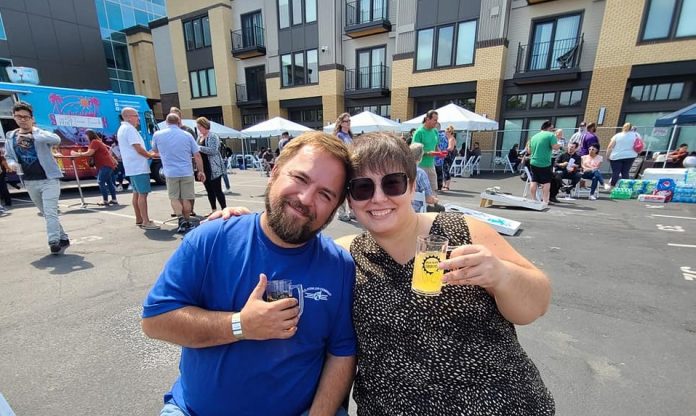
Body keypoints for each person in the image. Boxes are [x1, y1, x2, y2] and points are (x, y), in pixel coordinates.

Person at [141, 132, 357, 416]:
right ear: (275, 171)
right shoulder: (212, 238)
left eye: (325, 194)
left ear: (334, 209)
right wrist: (240, 325)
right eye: (300, 179)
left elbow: (341, 352)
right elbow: (155, 320)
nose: (306, 198)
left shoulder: (339, 265)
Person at [341, 133, 554, 414]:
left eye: (393, 183)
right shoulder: (345, 257)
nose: (378, 198)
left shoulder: (463, 231)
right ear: (350, 199)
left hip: (502, 404)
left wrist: (502, 275)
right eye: (362, 188)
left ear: (412, 185)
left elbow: (536, 306)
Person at [4, 101, 70, 254]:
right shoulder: (11, 137)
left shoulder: (40, 133)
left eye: (26, 117)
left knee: (51, 211)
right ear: (14, 117)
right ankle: (63, 236)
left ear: (31, 118)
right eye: (19, 116)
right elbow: (9, 156)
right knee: (46, 212)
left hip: (49, 179)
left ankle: (53, 241)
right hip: (29, 180)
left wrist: (35, 133)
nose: (22, 120)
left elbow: (56, 140)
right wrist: (12, 163)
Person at [153, 113, 205, 233]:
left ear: (166, 122)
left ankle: (181, 219)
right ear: (179, 122)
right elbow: (196, 154)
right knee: (186, 198)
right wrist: (201, 171)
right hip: (186, 171)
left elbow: (155, 150)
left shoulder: (158, 135)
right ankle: (187, 221)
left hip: (170, 172)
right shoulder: (186, 135)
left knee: (174, 197)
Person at [117, 107, 159, 230]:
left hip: (132, 166)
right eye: (136, 116)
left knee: (136, 193)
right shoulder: (129, 130)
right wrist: (150, 155)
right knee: (142, 194)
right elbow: (138, 148)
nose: (138, 118)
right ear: (129, 117)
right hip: (138, 166)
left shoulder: (123, 129)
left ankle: (139, 218)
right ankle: (146, 220)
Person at [71, 130, 118, 206]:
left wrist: (77, 154)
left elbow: (90, 153)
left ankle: (105, 201)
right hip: (107, 165)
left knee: (100, 181)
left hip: (104, 165)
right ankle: (114, 199)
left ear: (89, 135)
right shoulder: (97, 142)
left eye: (85, 135)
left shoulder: (94, 142)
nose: (84, 137)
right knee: (109, 182)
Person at [197, 117, 227, 214]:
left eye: (200, 126)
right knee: (209, 190)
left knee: (217, 190)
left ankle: (224, 209)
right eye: (198, 126)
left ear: (205, 125)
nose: (198, 128)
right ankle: (213, 210)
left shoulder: (213, 136)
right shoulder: (199, 137)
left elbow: (213, 150)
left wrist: (199, 147)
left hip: (214, 167)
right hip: (204, 166)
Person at [526, 120, 560, 205]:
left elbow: (529, 151)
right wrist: (560, 145)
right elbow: (555, 147)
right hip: (544, 162)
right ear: (549, 128)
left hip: (533, 161)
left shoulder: (534, 137)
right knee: (546, 182)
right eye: (552, 129)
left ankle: (533, 199)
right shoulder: (551, 135)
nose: (552, 130)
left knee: (534, 180)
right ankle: (545, 200)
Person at [410, 143, 444, 212]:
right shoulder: (420, 173)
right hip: (417, 209)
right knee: (441, 208)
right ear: (420, 157)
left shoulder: (401, 169)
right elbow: (428, 199)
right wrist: (435, 200)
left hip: (403, 208)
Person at [333, 113, 354, 222]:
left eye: (349, 120)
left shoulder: (349, 135)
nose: (349, 123)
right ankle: (341, 213)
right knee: (343, 190)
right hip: (343, 165)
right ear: (341, 123)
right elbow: (340, 152)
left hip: (350, 165)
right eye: (346, 121)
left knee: (350, 189)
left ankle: (351, 211)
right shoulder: (339, 136)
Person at [412, 110, 439, 192]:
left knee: (434, 188)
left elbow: (436, 145)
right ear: (427, 119)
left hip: (431, 164)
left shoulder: (435, 131)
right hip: (420, 165)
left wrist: (440, 153)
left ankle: (434, 204)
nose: (436, 122)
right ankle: (423, 204)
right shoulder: (419, 132)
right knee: (420, 190)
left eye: (437, 120)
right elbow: (414, 151)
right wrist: (428, 153)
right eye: (435, 120)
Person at [442, 125, 457, 191]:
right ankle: (445, 185)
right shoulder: (449, 138)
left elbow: (450, 148)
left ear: (450, 132)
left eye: (446, 132)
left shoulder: (451, 139)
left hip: (449, 156)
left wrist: (443, 150)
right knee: (445, 170)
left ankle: (447, 186)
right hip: (448, 155)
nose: (445, 134)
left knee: (446, 170)